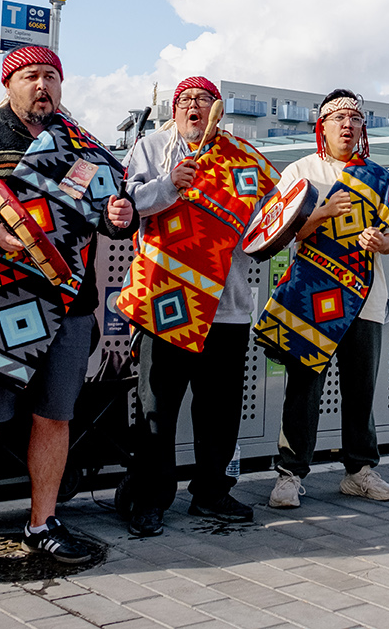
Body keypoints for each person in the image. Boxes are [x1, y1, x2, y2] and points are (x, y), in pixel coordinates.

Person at [0, 46, 136, 581]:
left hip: (71, 305)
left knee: (56, 416)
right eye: (30, 76)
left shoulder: (88, 147)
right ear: (9, 84)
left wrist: (122, 216)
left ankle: (43, 522)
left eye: (51, 76)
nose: (42, 85)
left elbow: (113, 219)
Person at [116, 77, 278, 537]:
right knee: (157, 407)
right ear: (174, 108)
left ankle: (210, 491)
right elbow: (124, 203)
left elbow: (271, 218)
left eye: (203, 101)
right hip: (166, 299)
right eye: (185, 100)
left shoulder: (243, 158)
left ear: (218, 110)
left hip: (228, 306)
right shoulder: (152, 146)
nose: (193, 107)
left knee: (221, 408)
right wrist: (169, 185)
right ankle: (150, 498)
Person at [262, 89, 389, 510]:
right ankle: (290, 474)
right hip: (312, 298)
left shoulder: (381, 177)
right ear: (320, 126)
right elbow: (276, 232)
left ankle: (359, 471)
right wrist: (320, 213)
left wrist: (382, 241)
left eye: (355, 118)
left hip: (366, 297)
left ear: (363, 129)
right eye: (337, 117)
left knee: (361, 390)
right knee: (304, 388)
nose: (347, 124)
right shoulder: (299, 173)